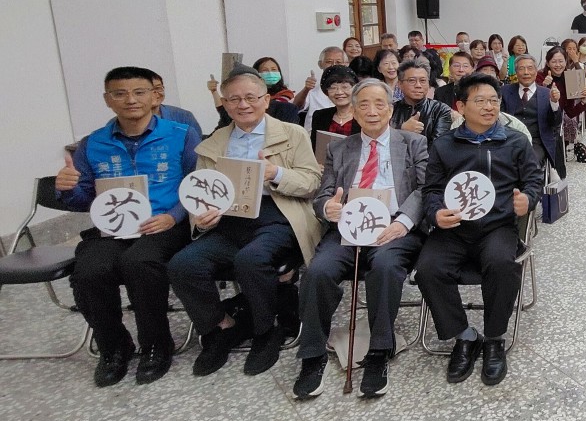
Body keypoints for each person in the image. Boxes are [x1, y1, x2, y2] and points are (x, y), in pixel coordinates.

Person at [168, 66, 323, 378]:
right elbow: (201, 191)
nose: (243, 105)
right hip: (228, 220)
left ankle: (267, 330)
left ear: (266, 100)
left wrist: (276, 174)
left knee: (250, 260)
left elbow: (311, 182)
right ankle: (220, 327)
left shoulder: (292, 134)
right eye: (234, 99)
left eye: (251, 97)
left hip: (278, 215)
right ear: (224, 104)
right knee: (183, 265)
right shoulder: (214, 143)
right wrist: (203, 217)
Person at [54, 67, 200, 386]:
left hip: (163, 224)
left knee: (140, 263)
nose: (130, 100)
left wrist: (174, 216)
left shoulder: (181, 134)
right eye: (120, 93)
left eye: (139, 92)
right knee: (89, 271)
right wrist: (67, 188)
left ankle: (156, 346)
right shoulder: (93, 143)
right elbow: (83, 199)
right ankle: (114, 348)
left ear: (154, 96)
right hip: (113, 228)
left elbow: (198, 184)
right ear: (108, 100)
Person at [292, 79, 430, 400]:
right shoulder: (339, 148)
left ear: (391, 110)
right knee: (318, 271)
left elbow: (427, 189)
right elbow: (323, 195)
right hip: (348, 227)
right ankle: (312, 355)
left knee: (384, 267)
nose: (372, 111)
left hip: (393, 227)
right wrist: (328, 207)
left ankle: (379, 351)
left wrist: (404, 222)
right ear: (353, 111)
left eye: (379, 104)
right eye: (363, 105)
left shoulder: (413, 143)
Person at [418, 73, 544, 387]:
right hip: (454, 228)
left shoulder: (515, 141)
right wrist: (436, 214)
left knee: (502, 264)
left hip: (497, 226)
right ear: (461, 106)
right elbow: (431, 190)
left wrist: (527, 200)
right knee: (428, 269)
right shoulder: (444, 145)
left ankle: (494, 338)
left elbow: (533, 181)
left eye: (494, 100)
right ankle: (464, 336)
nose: (489, 107)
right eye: (480, 101)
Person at [502, 54, 565, 180]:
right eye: (521, 68)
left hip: (537, 141)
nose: (526, 72)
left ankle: (530, 190)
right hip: (509, 139)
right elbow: (500, 118)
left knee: (530, 162)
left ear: (536, 71)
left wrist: (554, 102)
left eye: (530, 68)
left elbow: (555, 123)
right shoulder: (505, 91)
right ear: (516, 72)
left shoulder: (546, 93)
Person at [390, 58, 452, 152]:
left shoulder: (440, 109)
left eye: (423, 81)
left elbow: (438, 146)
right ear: (400, 84)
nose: (418, 85)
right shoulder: (390, 109)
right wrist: (401, 129)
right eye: (412, 81)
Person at [539, 46, 586, 157]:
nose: (558, 65)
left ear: (566, 62)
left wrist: (583, 101)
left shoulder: (569, 79)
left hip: (556, 123)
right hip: (540, 120)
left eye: (561, 61)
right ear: (548, 63)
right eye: (554, 61)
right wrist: (544, 86)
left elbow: (570, 112)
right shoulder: (540, 76)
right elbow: (533, 100)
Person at [297, 46, 348, 129]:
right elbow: (295, 107)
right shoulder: (312, 90)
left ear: (346, 64)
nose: (334, 65)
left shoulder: (352, 90)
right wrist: (306, 89)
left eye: (338, 62)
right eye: (329, 62)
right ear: (320, 64)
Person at [309, 65, 359, 146]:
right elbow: (315, 147)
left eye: (345, 87)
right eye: (333, 88)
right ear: (326, 91)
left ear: (355, 89)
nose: (339, 92)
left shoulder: (363, 116)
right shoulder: (320, 116)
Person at [147, 71, 203, 136]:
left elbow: (197, 141)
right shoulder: (136, 119)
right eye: (147, 90)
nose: (154, 93)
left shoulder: (184, 116)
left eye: (158, 88)